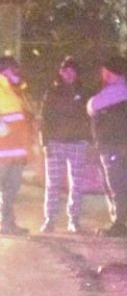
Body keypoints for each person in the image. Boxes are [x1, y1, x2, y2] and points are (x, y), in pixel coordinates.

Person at [87, 54, 127, 237]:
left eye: (105, 71)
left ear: (113, 72)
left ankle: (119, 223)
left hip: (114, 144)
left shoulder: (118, 90)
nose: (103, 74)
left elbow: (92, 105)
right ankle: (119, 221)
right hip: (121, 144)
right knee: (119, 183)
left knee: (116, 183)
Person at [39, 56, 90, 233]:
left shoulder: (84, 92)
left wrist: (88, 139)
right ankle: (50, 219)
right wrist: (44, 142)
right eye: (66, 70)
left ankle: (74, 220)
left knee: (77, 183)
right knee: (53, 183)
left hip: (78, 142)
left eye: (73, 71)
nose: (69, 74)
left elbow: (90, 116)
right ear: (61, 72)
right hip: (55, 143)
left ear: (77, 73)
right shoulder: (52, 92)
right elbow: (44, 118)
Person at [0, 55, 32, 235]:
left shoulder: (14, 91)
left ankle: (7, 223)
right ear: (5, 69)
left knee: (10, 191)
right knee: (6, 189)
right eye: (14, 69)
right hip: (3, 150)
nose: (17, 72)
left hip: (16, 152)